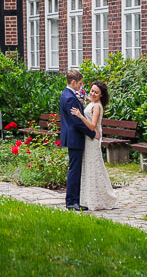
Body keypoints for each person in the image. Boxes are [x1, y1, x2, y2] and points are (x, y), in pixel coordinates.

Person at [70, 81, 119, 210]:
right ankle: (87, 198)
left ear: (101, 95)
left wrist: (80, 116)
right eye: (92, 90)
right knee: (88, 167)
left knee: (93, 167)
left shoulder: (97, 106)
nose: (93, 93)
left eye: (96, 92)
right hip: (87, 139)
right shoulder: (92, 102)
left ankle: (98, 198)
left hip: (92, 140)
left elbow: (92, 126)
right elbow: (85, 98)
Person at [59, 69, 98, 211]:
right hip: (74, 137)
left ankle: (75, 199)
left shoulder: (67, 94)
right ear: (73, 82)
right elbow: (76, 122)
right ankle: (71, 201)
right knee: (74, 170)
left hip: (73, 136)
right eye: (80, 84)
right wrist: (92, 133)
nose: (81, 87)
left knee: (75, 168)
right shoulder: (69, 97)